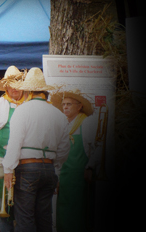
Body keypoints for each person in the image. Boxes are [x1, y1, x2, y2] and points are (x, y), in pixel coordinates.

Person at [2, 67, 70, 232]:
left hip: (27, 169)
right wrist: (54, 167)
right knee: (44, 218)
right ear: (44, 92)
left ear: (28, 92)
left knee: (25, 219)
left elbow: (15, 143)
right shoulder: (59, 114)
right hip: (49, 169)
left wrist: (8, 169)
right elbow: (64, 150)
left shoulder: (22, 110)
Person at [50, 89, 98, 232]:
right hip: (64, 174)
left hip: (80, 175)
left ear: (79, 106)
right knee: (62, 208)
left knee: (79, 208)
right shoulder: (63, 124)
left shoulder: (87, 123)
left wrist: (90, 167)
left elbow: (98, 147)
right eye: (64, 104)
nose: (65, 107)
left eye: (69, 104)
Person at [0, 65, 26, 232]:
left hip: (25, 161)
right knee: (3, 203)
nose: (14, 88)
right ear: (6, 87)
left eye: (18, 84)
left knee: (24, 203)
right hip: (2, 159)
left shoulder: (30, 104)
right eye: (11, 84)